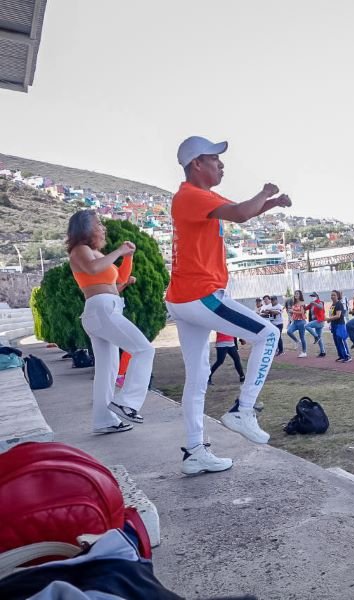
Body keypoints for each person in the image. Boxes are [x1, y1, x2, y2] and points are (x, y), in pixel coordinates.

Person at [166, 136, 288, 474]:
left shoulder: (200, 197)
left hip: (183, 299)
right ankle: (242, 410)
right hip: (200, 295)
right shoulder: (191, 196)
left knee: (197, 377)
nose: (222, 165)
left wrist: (271, 204)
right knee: (268, 334)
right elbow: (241, 213)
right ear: (197, 165)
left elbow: (241, 213)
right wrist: (266, 192)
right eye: (215, 159)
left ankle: (194, 452)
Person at [67, 210, 153, 434]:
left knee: (107, 370)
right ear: (85, 228)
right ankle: (128, 402)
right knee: (144, 349)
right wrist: (119, 250)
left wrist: (128, 257)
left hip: (106, 309)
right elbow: (93, 269)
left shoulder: (96, 253)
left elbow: (120, 280)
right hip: (102, 309)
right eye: (98, 223)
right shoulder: (80, 250)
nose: (103, 227)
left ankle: (103, 420)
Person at [327, 290, 351, 362]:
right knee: (336, 341)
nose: (332, 296)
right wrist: (329, 321)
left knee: (340, 340)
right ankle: (341, 355)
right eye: (331, 295)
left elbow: (338, 316)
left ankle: (347, 356)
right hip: (334, 325)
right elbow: (331, 315)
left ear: (337, 296)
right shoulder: (332, 305)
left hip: (340, 324)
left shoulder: (339, 304)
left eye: (334, 295)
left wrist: (329, 318)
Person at [285, 290, 308, 357]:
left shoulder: (302, 303)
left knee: (302, 337)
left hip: (301, 322)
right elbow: (293, 312)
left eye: (297, 294)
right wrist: (290, 312)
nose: (296, 295)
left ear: (300, 295)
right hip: (295, 322)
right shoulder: (294, 303)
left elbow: (302, 313)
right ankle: (297, 341)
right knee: (289, 331)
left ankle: (304, 352)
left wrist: (293, 311)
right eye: (295, 294)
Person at [305, 292, 327, 357]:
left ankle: (316, 337)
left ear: (317, 296)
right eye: (311, 296)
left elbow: (321, 307)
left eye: (313, 296)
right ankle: (322, 352)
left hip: (319, 321)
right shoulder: (312, 304)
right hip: (316, 321)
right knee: (320, 338)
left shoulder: (320, 302)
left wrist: (314, 303)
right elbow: (305, 308)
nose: (312, 297)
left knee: (306, 326)